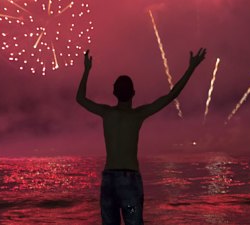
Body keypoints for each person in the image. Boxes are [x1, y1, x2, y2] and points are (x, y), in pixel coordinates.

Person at [76, 48, 206, 225]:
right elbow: (172, 95)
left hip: (109, 179)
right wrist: (191, 68)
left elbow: (80, 98)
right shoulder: (137, 115)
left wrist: (86, 70)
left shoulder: (107, 114)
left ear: (114, 93)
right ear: (134, 93)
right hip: (130, 180)